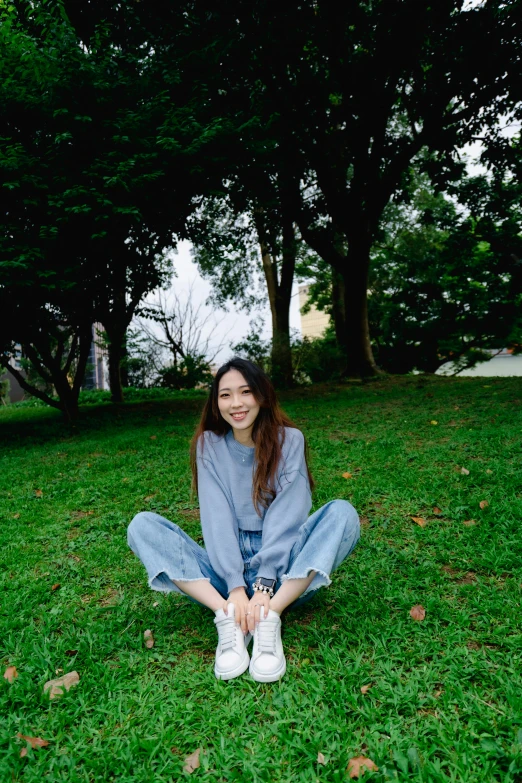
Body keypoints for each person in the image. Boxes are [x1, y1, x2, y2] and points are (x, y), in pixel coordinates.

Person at [127, 357, 360, 682]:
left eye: (245, 392)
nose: (235, 403)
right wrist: (235, 587)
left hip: (283, 572)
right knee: (142, 526)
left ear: (262, 396)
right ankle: (227, 614)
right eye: (225, 395)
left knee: (342, 514)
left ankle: (270, 617)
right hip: (225, 571)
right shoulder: (209, 444)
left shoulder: (290, 440)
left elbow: (287, 517)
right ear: (215, 401)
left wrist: (265, 586)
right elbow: (216, 516)